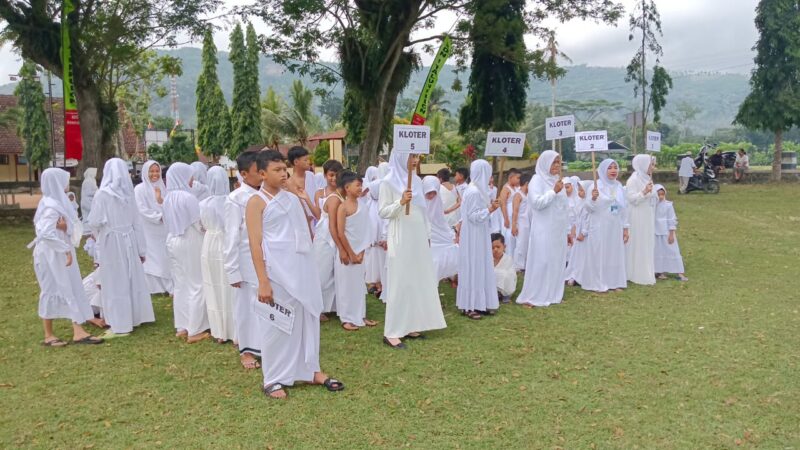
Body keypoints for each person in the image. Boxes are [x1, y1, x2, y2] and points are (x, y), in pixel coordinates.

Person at [245, 150, 344, 399]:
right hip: (276, 272)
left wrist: (292, 190)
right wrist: (263, 281)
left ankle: (309, 369)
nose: (283, 174)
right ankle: (273, 378)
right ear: (262, 173)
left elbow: (304, 232)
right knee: (277, 326)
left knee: (305, 320)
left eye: (283, 169)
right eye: (276, 170)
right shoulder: (256, 202)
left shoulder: (291, 198)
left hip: (301, 268)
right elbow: (255, 244)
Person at [378, 152, 447, 349]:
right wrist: (400, 202)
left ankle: (410, 325)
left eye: (416, 156)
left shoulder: (417, 181)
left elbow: (423, 212)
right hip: (400, 236)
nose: (415, 161)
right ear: (400, 158)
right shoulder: (388, 182)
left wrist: (427, 236)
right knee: (400, 281)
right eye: (411, 157)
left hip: (417, 238)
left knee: (415, 280)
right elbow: (383, 211)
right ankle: (392, 331)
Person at [30, 168, 104, 346]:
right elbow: (46, 233)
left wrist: (65, 230)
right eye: (64, 180)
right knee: (54, 287)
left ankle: (77, 330)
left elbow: (67, 226)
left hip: (55, 251)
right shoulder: (50, 206)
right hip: (53, 254)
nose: (67, 183)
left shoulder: (54, 202)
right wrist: (65, 250)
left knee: (68, 286)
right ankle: (50, 335)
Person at [87, 158, 155, 337]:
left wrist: (98, 247)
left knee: (115, 281)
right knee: (129, 278)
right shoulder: (128, 193)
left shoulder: (102, 195)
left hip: (112, 241)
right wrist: (141, 249)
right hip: (128, 240)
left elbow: (94, 223)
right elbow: (137, 223)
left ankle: (120, 321)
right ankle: (133, 316)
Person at [223, 151, 263, 369]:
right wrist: (232, 270)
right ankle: (247, 351)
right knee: (245, 306)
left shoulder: (264, 194)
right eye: (259, 172)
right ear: (245, 174)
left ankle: (264, 345)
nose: (262, 175)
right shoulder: (235, 199)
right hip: (245, 258)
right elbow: (231, 236)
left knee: (263, 303)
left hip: (265, 257)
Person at [516, 150, 571, 308]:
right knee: (543, 260)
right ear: (545, 162)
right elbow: (537, 203)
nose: (557, 166)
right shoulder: (537, 180)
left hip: (557, 230)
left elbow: (564, 207)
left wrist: (566, 230)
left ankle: (553, 293)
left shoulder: (557, 180)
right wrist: (554, 191)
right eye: (553, 162)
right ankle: (535, 294)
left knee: (556, 261)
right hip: (544, 228)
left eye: (558, 162)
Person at [163, 162, 210, 344]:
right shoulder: (187, 197)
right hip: (190, 239)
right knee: (197, 282)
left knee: (181, 284)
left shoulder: (169, 197)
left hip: (173, 240)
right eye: (190, 176)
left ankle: (182, 326)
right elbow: (198, 223)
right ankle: (196, 329)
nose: (192, 180)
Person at [456, 159, 501, 319]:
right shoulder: (474, 191)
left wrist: (490, 209)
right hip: (473, 235)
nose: (490, 178)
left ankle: (480, 303)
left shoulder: (478, 191)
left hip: (479, 234)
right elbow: (473, 216)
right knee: (473, 266)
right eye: (488, 174)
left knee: (480, 265)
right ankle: (469, 305)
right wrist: (490, 209)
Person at [334, 170, 378, 331]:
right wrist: (350, 253)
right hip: (348, 252)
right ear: (347, 187)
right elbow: (340, 233)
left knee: (359, 286)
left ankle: (360, 315)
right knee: (346, 286)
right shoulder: (342, 207)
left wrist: (362, 251)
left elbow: (365, 228)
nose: (361, 188)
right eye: (357, 185)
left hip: (361, 252)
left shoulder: (363, 205)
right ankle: (346, 318)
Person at [578, 159, 629, 293]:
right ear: (603, 170)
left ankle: (614, 281)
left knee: (613, 252)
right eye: (610, 168)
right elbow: (589, 208)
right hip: (599, 225)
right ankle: (598, 282)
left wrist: (625, 228)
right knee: (599, 253)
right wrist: (593, 198)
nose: (613, 170)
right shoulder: (596, 186)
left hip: (614, 225)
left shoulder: (619, 186)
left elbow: (623, 209)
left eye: (615, 167)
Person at [200, 166, 236, 343]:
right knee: (227, 284)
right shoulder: (230, 201)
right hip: (224, 242)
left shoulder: (203, 203)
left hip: (209, 243)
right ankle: (232, 329)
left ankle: (220, 330)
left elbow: (201, 225)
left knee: (213, 284)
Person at [133, 160, 173, 295]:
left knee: (163, 255)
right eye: (152, 171)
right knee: (152, 256)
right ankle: (153, 287)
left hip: (163, 229)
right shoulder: (139, 189)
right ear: (146, 172)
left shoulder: (164, 187)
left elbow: (168, 205)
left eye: (157, 171)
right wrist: (157, 217)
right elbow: (141, 209)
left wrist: (161, 202)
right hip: (148, 228)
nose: (155, 174)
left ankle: (166, 284)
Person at [312, 159, 345, 320]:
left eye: (336, 175)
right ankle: (318, 307)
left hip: (340, 231)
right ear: (325, 175)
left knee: (337, 271)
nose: (333, 178)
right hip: (323, 233)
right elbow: (318, 215)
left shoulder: (343, 191)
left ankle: (336, 305)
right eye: (331, 175)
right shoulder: (320, 193)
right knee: (322, 270)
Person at [625, 154, 657, 286]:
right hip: (637, 215)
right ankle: (635, 272)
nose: (653, 168)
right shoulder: (633, 180)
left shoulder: (647, 178)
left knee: (647, 241)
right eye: (651, 165)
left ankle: (646, 270)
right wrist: (644, 192)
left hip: (647, 214)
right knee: (639, 240)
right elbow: (631, 199)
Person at [422, 176, 459, 282]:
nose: (432, 195)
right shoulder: (418, 203)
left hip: (438, 235)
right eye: (429, 192)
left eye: (434, 192)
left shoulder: (437, 202)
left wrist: (450, 235)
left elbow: (441, 221)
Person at [653, 185, 688, 281]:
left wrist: (671, 233)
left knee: (672, 250)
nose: (660, 197)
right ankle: (660, 271)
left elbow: (671, 219)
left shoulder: (668, 205)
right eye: (658, 195)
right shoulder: (652, 206)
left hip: (666, 232)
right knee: (658, 251)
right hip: (655, 232)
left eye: (662, 195)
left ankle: (680, 272)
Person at [363, 165, 387, 297]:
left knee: (379, 258)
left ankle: (380, 285)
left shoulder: (376, 204)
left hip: (380, 237)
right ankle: (378, 285)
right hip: (375, 238)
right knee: (375, 258)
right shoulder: (371, 204)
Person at [565, 180, 593, 286]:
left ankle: (581, 275)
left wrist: (584, 232)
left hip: (584, 235)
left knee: (584, 256)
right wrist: (574, 229)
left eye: (582, 190)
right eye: (579, 190)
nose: (579, 193)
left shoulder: (589, 204)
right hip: (578, 232)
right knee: (576, 255)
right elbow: (577, 219)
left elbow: (588, 220)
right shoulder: (580, 202)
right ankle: (573, 274)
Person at [286, 146, 321, 223]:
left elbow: (317, 196)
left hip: (317, 217)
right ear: (296, 162)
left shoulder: (311, 175)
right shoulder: (289, 183)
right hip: (302, 221)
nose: (309, 162)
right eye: (305, 160)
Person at [498, 168, 522, 256]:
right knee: (509, 237)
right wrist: (506, 219)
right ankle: (508, 255)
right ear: (511, 177)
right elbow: (503, 204)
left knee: (515, 236)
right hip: (508, 216)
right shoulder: (505, 189)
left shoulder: (516, 188)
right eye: (518, 178)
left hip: (515, 217)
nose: (519, 180)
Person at [511, 174, 531, 271]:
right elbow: (515, 211)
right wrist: (514, 225)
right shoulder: (518, 195)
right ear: (527, 183)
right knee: (520, 243)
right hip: (520, 223)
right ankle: (517, 265)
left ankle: (524, 264)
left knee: (526, 243)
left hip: (527, 223)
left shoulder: (528, 195)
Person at [491, 233, 517, 304]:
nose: (495, 250)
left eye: (498, 247)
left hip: (506, 286)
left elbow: (511, 275)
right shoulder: (488, 260)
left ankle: (505, 295)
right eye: (492, 248)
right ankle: (495, 293)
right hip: (493, 286)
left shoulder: (508, 259)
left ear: (504, 247)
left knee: (504, 274)